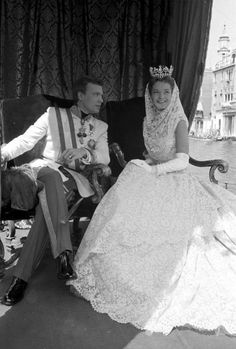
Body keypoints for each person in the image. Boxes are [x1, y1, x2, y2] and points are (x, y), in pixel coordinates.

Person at [68, 66, 236, 336]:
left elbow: (181, 159)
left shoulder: (179, 121)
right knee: (126, 204)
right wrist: (147, 163)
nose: (160, 97)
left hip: (174, 179)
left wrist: (155, 169)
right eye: (156, 92)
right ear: (150, 95)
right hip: (151, 175)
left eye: (165, 92)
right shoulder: (149, 120)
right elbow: (152, 154)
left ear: (173, 94)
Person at [1, 75, 110, 306]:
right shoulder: (52, 115)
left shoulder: (100, 127)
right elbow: (26, 140)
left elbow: (105, 157)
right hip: (41, 171)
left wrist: (85, 153)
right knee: (50, 175)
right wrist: (3, 154)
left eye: (102, 94)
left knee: (45, 212)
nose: (102, 99)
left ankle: (19, 280)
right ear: (80, 96)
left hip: (72, 178)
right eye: (96, 94)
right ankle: (64, 253)